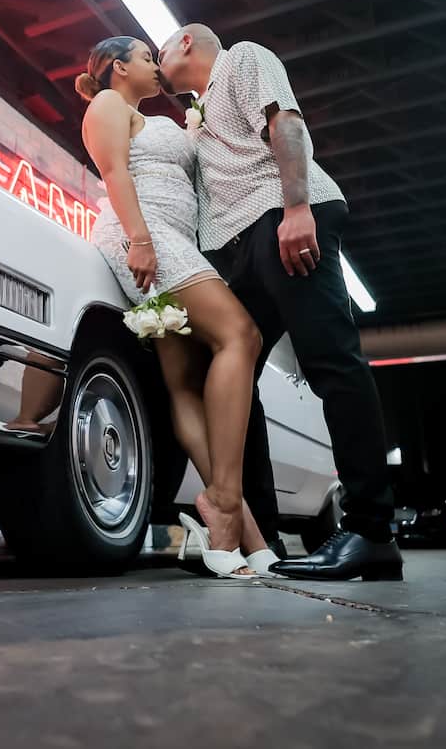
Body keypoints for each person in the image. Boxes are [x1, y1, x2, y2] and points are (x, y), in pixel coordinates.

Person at [159, 23, 403, 582]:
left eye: (162, 49)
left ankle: (372, 531)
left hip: (278, 219)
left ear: (189, 43)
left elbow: (286, 123)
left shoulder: (243, 58)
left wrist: (298, 208)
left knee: (331, 362)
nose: (158, 58)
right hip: (234, 244)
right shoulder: (194, 120)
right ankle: (260, 538)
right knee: (232, 372)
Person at [75, 36, 276, 578]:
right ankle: (225, 507)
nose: (154, 65)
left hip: (175, 237)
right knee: (240, 334)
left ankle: (245, 535)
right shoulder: (108, 104)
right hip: (147, 236)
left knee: (184, 381)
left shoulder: (151, 115)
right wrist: (140, 240)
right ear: (118, 68)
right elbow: (116, 173)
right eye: (144, 56)